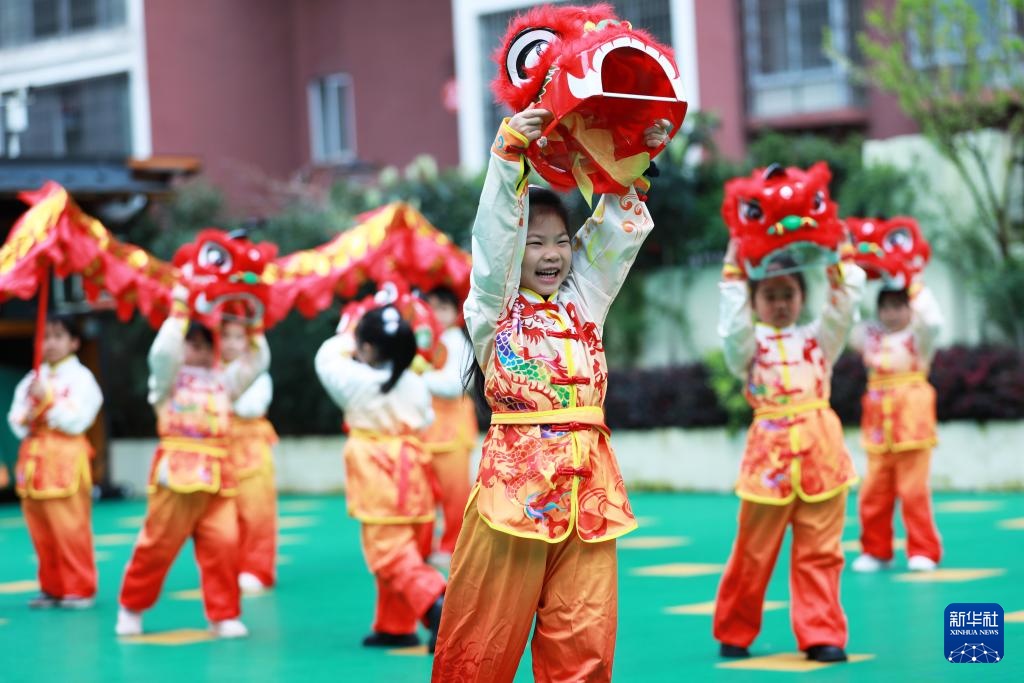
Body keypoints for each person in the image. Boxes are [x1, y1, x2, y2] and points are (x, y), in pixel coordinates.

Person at [431, 110, 669, 682]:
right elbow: (492, 244)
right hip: (514, 495)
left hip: (591, 492)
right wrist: (508, 154)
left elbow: (613, 235)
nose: (552, 254)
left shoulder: (584, 301)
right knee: (482, 640)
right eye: (534, 242)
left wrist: (634, 156)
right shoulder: (493, 310)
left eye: (561, 241)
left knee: (583, 636)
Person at [713, 242, 865, 663]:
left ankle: (822, 633)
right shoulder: (746, 344)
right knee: (752, 552)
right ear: (754, 300)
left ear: (801, 296)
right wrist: (734, 267)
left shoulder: (819, 338)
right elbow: (732, 327)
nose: (780, 304)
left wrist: (839, 250)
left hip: (823, 458)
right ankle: (735, 629)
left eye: (788, 294)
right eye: (770, 295)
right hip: (769, 465)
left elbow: (845, 306)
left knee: (822, 550)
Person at [116, 288, 269, 638]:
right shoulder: (165, 383)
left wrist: (255, 322)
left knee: (224, 547)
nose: (196, 350)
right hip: (177, 478)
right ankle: (132, 606)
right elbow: (162, 354)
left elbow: (257, 363)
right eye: (191, 343)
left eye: (204, 344)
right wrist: (180, 313)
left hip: (218, 479)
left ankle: (223, 614)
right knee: (157, 547)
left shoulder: (224, 382)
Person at [315, 304, 445, 651]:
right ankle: (395, 626)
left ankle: (436, 602)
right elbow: (426, 419)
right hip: (414, 474)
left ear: (368, 348)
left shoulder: (353, 380)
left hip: (377, 476)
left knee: (389, 555)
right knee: (407, 550)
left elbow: (326, 355)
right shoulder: (414, 382)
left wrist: (349, 327)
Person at [8, 315, 102, 609]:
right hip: (34, 462)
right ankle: (52, 587)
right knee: (41, 531)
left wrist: (47, 401)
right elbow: (16, 420)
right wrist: (30, 408)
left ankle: (79, 588)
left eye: (58, 336)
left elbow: (78, 420)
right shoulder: (32, 378)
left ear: (74, 342)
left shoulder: (82, 378)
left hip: (66, 459)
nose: (50, 343)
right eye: (45, 337)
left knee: (70, 528)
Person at [850, 284, 943, 572]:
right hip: (879, 427)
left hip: (911, 424)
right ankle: (876, 550)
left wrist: (910, 277)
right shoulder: (870, 339)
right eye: (885, 307)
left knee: (914, 491)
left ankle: (923, 550)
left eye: (898, 306)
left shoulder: (919, 337)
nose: (891, 314)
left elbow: (933, 321)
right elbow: (845, 323)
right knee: (873, 492)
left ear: (910, 308)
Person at [420, 287, 478, 568]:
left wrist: (420, 376)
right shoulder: (424, 342)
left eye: (442, 308)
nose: (436, 314)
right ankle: (423, 547)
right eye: (429, 307)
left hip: (452, 431)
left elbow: (456, 385)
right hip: (424, 432)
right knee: (423, 494)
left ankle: (454, 545)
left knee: (455, 495)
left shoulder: (457, 341)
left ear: (455, 312)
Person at [222, 319, 280, 592]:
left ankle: (257, 568)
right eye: (225, 336)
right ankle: (227, 567)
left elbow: (250, 406)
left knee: (256, 512)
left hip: (251, 449)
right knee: (222, 515)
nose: (231, 343)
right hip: (219, 449)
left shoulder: (257, 374)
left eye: (238, 337)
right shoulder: (208, 371)